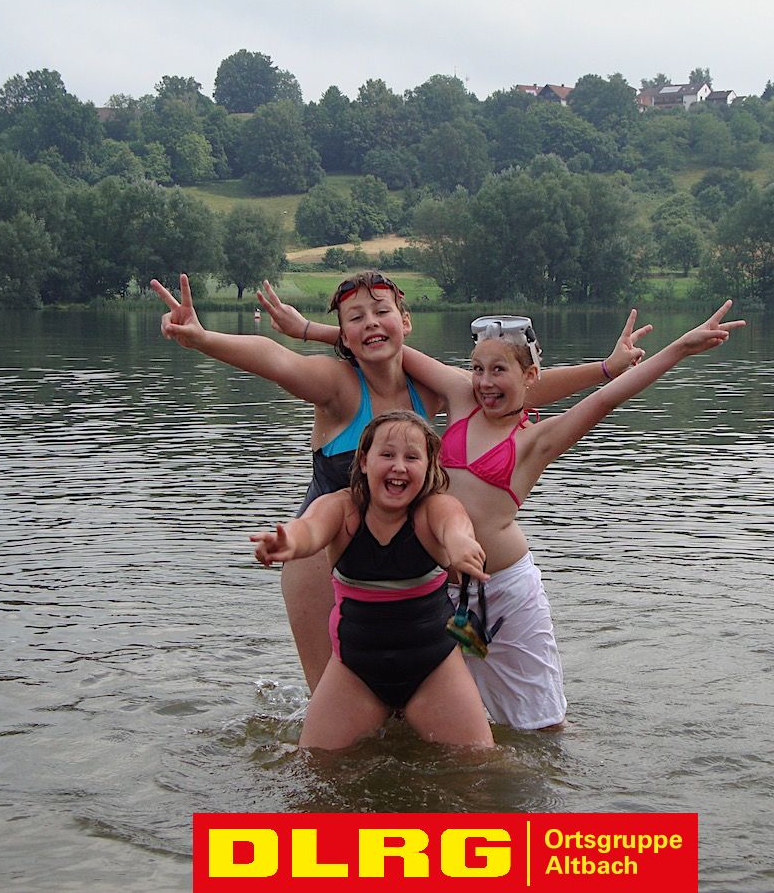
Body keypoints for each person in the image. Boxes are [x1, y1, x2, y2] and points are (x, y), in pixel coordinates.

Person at [266, 293, 743, 730]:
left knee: (540, 720)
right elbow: (387, 347)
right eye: (478, 369)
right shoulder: (460, 400)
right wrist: (310, 330)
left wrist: (678, 349)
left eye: (499, 371)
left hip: (506, 593)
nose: (485, 382)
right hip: (443, 594)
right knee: (434, 712)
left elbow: (609, 398)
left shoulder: (536, 440)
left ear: (530, 378)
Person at [156, 270, 649, 693]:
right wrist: (203, 339)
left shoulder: (429, 388)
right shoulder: (337, 385)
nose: (371, 322)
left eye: (381, 312)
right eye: (356, 318)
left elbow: (512, 386)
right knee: (330, 698)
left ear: (404, 322)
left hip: (402, 559)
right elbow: (277, 360)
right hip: (323, 553)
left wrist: (606, 369)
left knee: (405, 702)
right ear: (344, 334)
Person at [251, 410, 494, 750]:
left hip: (435, 669)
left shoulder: (435, 509)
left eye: (412, 457)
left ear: (429, 466)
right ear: (365, 461)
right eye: (387, 455)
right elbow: (310, 527)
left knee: (479, 766)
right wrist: (289, 542)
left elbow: (455, 527)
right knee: (315, 767)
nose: (399, 467)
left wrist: (460, 546)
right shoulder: (342, 509)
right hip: (354, 672)